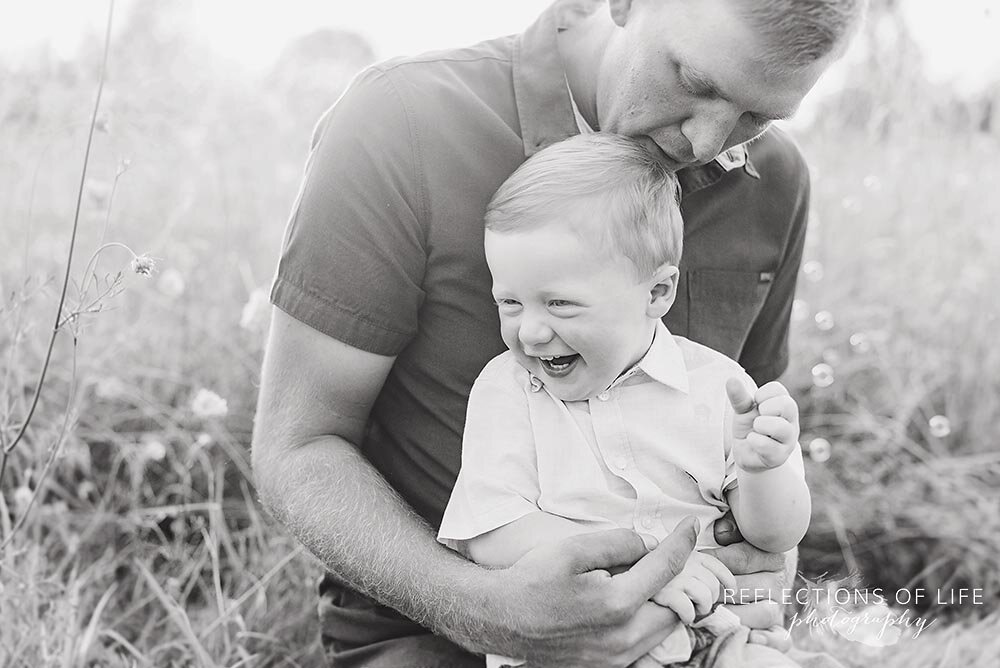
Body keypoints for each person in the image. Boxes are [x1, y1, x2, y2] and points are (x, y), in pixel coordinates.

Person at [251, 1, 866, 665]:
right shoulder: (401, 120)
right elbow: (300, 446)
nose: (706, 143)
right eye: (693, 81)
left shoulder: (774, 182)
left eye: (757, 116)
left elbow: (751, 450)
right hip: (434, 634)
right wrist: (485, 611)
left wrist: (763, 582)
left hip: (700, 631)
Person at [437, 132, 811, 668]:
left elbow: (774, 536)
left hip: (716, 633)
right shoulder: (509, 391)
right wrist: (649, 566)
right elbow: (493, 534)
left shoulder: (716, 385)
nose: (532, 332)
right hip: (574, 647)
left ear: (657, 293)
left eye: (561, 304)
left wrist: (763, 470)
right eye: (510, 302)